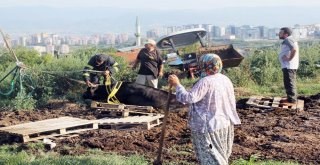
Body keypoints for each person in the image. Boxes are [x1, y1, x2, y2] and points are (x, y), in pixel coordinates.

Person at [168, 54, 241, 165]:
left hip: (208, 127)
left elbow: (189, 98)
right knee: (221, 155)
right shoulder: (225, 79)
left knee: (210, 157)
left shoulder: (205, 82)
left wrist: (177, 85)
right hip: (224, 123)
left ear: (203, 65)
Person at [278, 27, 299, 104]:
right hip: (288, 65)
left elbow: (294, 49)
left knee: (289, 82)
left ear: (286, 34)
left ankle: (291, 100)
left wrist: (289, 58)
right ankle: (290, 98)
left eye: (281, 33)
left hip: (289, 65)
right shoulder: (290, 39)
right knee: (289, 82)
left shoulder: (288, 39)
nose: (279, 34)